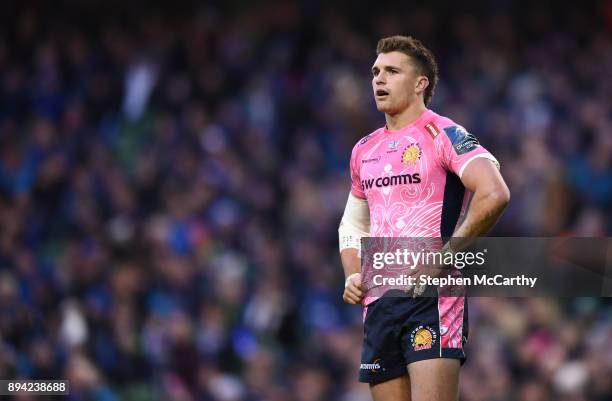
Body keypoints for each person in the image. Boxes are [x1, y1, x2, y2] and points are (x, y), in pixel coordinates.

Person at [338, 35, 510, 401]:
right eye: (375, 71)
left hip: (431, 296)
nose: (378, 79)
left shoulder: (445, 133)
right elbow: (353, 223)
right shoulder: (364, 149)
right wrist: (353, 272)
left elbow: (494, 193)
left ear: (420, 84)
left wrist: (446, 256)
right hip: (380, 303)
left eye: (391, 71)